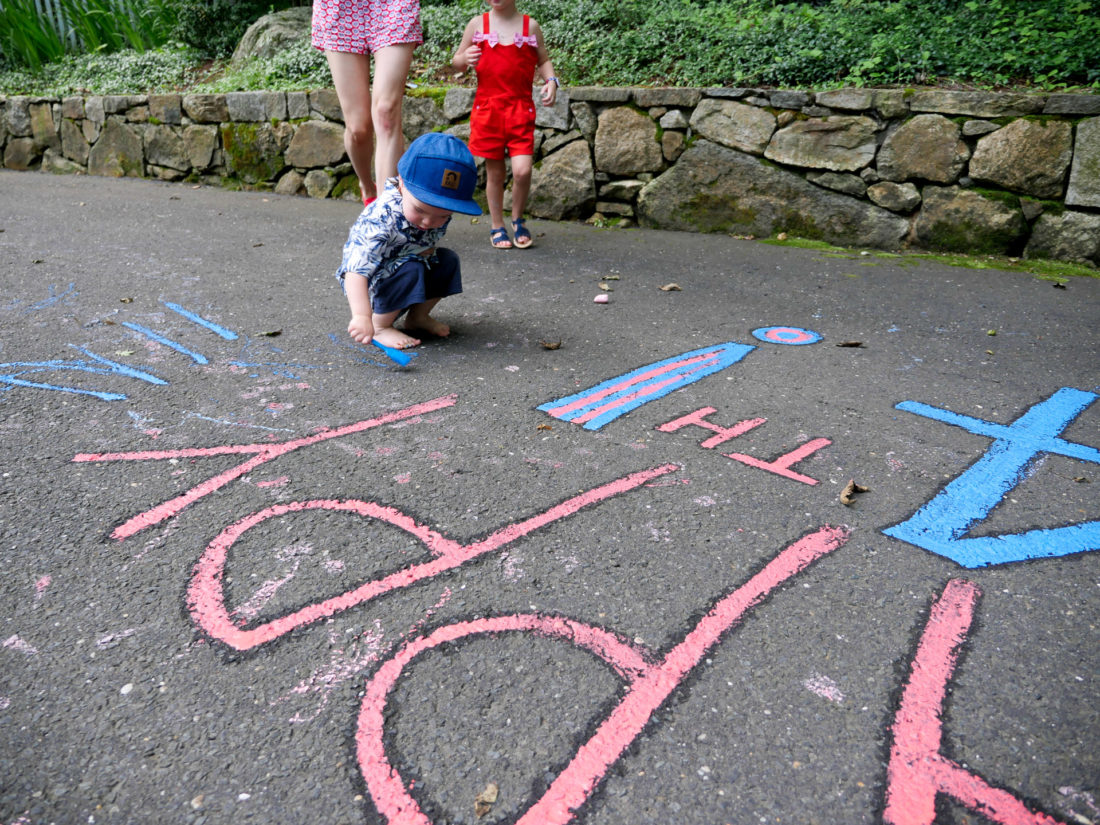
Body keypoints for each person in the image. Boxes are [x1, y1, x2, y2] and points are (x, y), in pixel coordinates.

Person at [336, 133, 483, 351]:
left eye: (443, 216)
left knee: (447, 260)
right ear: (402, 184)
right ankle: (379, 325)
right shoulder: (381, 219)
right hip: (373, 284)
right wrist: (361, 315)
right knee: (411, 267)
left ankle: (418, 318)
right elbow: (355, 271)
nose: (429, 221)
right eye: (420, 210)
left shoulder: (430, 214)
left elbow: (427, 240)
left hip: (409, 269)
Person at [452, 0, 559, 249]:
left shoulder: (529, 26)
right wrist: (464, 58)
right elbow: (456, 60)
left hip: (520, 110)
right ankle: (497, 225)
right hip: (488, 110)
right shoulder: (478, 24)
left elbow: (543, 60)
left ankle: (518, 218)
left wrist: (551, 80)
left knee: (523, 171)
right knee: (495, 173)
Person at [311, 0, 421, 207]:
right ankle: (367, 186)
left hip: (392, 6)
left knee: (386, 112)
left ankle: (384, 213)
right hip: (340, 8)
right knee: (358, 128)